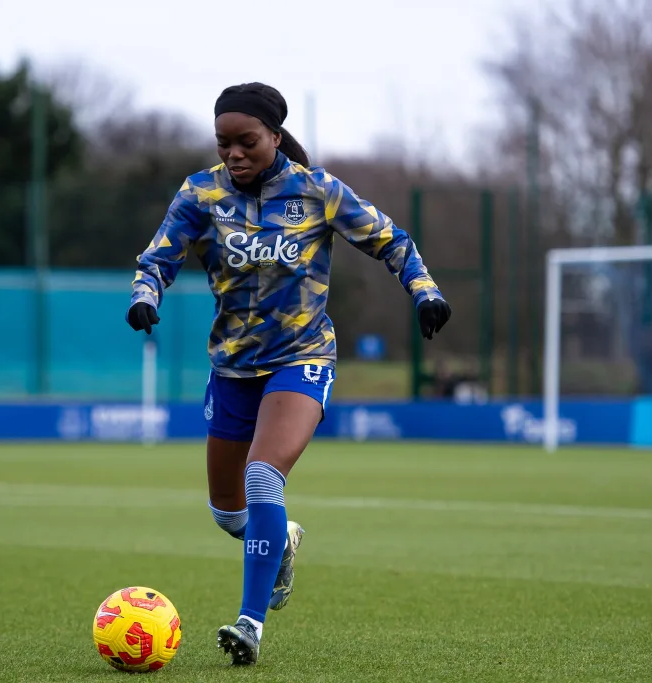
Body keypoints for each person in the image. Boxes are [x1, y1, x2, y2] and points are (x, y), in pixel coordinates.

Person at [126, 82, 452, 666]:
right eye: (224, 143)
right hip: (231, 367)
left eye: (247, 141)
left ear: (275, 136)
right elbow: (158, 257)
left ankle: (250, 624)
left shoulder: (318, 191)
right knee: (227, 510)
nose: (234, 154)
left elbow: (392, 241)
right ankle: (283, 542)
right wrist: (147, 294)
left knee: (261, 477)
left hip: (302, 358)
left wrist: (425, 292)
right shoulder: (200, 194)